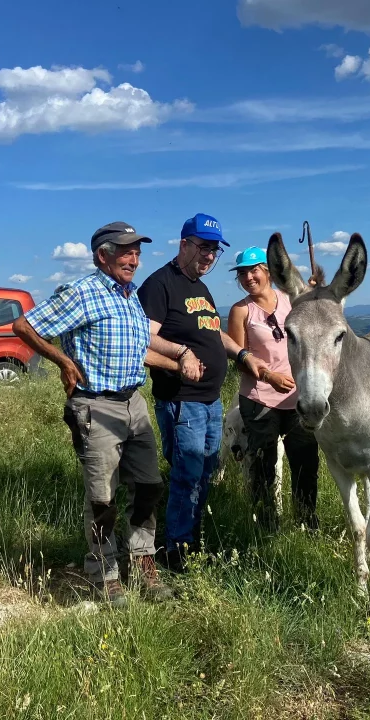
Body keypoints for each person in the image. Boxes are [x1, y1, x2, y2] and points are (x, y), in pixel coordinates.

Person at [12, 221, 200, 606]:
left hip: (134, 403)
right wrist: (62, 360)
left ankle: (143, 562)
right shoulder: (83, 293)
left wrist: (177, 359)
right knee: (103, 497)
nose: (134, 258)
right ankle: (105, 573)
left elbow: (135, 349)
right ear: (103, 255)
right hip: (95, 405)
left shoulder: (128, 295)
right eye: (126, 251)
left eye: (137, 251)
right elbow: (24, 325)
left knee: (149, 486)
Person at [137, 213, 265, 571]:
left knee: (204, 472)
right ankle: (177, 552)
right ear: (184, 244)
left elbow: (213, 333)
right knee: (187, 475)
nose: (209, 256)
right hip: (182, 401)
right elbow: (144, 339)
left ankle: (192, 544)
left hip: (209, 402)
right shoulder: (161, 284)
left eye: (215, 250)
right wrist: (181, 357)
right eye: (203, 247)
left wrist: (241, 353)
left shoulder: (200, 288)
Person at [227, 246, 320, 532]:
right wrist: (269, 377)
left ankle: (306, 523)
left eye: (254, 270)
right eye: (242, 273)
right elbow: (238, 359)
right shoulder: (241, 311)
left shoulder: (290, 299)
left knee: (305, 463)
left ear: (267, 271)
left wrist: (313, 294)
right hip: (259, 399)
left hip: (296, 398)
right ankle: (266, 526)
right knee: (263, 467)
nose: (248, 277)